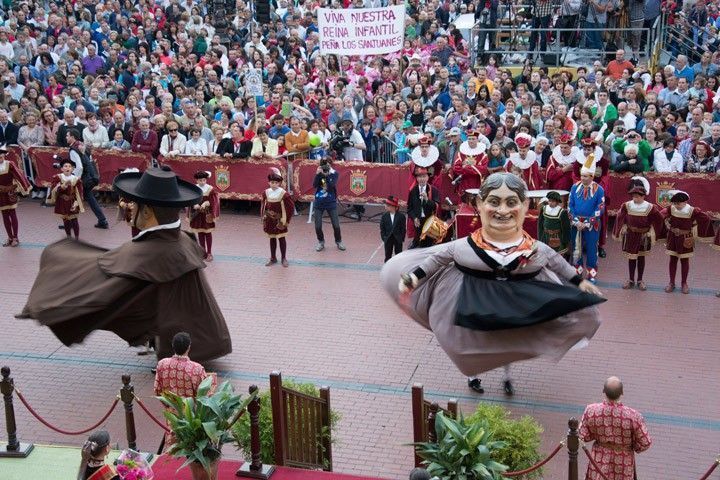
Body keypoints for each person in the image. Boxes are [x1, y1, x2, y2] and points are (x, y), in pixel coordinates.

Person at [381, 173, 604, 396]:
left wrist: (579, 282)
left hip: (514, 303)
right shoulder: (463, 247)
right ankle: (473, 375)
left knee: (506, 340)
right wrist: (413, 278)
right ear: (480, 204)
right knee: (471, 339)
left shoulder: (534, 248)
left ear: (525, 206)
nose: (503, 211)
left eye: (512, 202)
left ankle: (506, 377)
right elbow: (436, 260)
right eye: (494, 202)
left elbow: (556, 262)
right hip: (472, 302)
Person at [18, 166, 233, 363]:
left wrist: (52, 305)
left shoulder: (152, 250)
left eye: (135, 204)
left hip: (185, 342)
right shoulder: (182, 238)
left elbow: (107, 285)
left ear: (147, 212)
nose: (130, 207)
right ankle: (160, 342)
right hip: (205, 337)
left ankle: (167, 348)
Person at [579, 376, 652, 480]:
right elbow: (645, 442)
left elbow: (582, 435)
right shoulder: (634, 416)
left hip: (599, 460)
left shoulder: (591, 411)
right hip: (623, 463)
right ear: (622, 392)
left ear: (603, 391)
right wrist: (633, 447)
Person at [154, 331, 217, 448]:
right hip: (190, 417)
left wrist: (169, 406)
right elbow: (204, 395)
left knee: (172, 444)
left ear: (173, 346)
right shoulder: (196, 369)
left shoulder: (162, 364)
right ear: (189, 347)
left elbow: (157, 390)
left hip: (171, 413)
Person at [612, 177, 663, 291]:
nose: (635, 198)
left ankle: (640, 280)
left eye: (637, 196)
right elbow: (620, 217)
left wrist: (653, 231)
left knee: (641, 258)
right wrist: (622, 227)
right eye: (633, 196)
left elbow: (659, 219)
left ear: (643, 196)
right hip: (630, 235)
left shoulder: (650, 207)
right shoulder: (627, 205)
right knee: (631, 258)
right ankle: (630, 279)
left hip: (643, 236)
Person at [661, 190, 714, 294]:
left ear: (685, 202)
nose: (676, 206)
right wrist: (664, 223)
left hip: (686, 238)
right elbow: (660, 215)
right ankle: (671, 282)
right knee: (673, 259)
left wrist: (696, 230)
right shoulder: (671, 209)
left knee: (684, 261)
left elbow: (705, 219)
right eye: (675, 203)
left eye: (679, 203)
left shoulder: (692, 211)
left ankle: (684, 283)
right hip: (673, 237)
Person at [569, 155, 605, 283]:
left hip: (591, 225)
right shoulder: (574, 187)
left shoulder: (599, 190)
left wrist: (588, 222)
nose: (582, 178)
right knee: (576, 249)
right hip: (576, 224)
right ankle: (577, 272)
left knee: (591, 249)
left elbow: (600, 208)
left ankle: (591, 274)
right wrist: (575, 221)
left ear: (592, 176)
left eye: (585, 176)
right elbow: (570, 205)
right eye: (581, 175)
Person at [67, 128, 109, 229]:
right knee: (89, 199)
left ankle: (70, 222)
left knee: (71, 197)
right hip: (91, 176)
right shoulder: (81, 145)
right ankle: (102, 220)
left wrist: (75, 179)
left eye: (67, 136)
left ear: (72, 137)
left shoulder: (74, 150)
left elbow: (79, 166)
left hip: (84, 178)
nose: (66, 137)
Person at [261, 167, 294, 267]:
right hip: (270, 220)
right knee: (272, 239)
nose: (273, 185)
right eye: (272, 182)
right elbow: (263, 205)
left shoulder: (284, 194)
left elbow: (290, 208)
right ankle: (273, 257)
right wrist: (263, 217)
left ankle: (283, 258)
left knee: (281, 239)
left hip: (280, 220)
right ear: (269, 183)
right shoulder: (266, 193)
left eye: (275, 183)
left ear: (279, 183)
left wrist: (286, 221)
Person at [0, 147, 31, 246]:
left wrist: (25, 186)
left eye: (1, 157)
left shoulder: (9, 164)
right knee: (4, 215)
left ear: (4, 156)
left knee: (12, 214)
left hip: (10, 193)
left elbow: (19, 175)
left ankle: (15, 238)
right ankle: (9, 237)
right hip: (0, 194)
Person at [312, 159, 345, 252]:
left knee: (336, 225)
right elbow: (314, 185)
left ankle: (339, 241)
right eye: (324, 165)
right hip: (319, 202)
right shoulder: (319, 173)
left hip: (330, 202)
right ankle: (321, 241)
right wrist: (318, 174)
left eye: (328, 165)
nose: (326, 167)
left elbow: (331, 185)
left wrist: (327, 175)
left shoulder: (334, 173)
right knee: (318, 226)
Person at [48, 158, 84, 239]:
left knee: (74, 221)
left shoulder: (76, 179)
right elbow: (54, 190)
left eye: (69, 166)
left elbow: (80, 193)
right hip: (62, 203)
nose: (67, 168)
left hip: (72, 202)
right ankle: (68, 237)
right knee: (66, 221)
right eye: (65, 166)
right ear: (61, 169)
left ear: (72, 169)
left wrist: (77, 203)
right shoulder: (58, 178)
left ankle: (77, 238)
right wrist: (62, 187)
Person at [188, 171, 220, 262]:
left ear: (206, 180)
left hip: (207, 214)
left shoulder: (210, 189)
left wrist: (207, 202)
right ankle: (203, 252)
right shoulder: (194, 189)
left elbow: (215, 201)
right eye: (200, 180)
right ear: (197, 180)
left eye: (204, 180)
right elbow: (190, 200)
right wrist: (194, 205)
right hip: (197, 215)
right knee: (200, 233)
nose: (202, 182)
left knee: (208, 233)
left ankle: (209, 253)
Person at [407, 167, 440, 249]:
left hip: (429, 220)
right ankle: (416, 241)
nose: (422, 179)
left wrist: (427, 199)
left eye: (424, 176)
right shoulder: (413, 191)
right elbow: (409, 209)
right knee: (418, 243)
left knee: (427, 245)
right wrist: (414, 218)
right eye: (420, 177)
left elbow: (436, 207)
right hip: (418, 221)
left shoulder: (433, 190)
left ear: (428, 177)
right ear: (417, 178)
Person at [452, 129, 488, 195]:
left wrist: (466, 168)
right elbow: (456, 168)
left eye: (473, 139)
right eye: (469, 139)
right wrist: (474, 168)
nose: (471, 141)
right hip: (464, 182)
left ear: (477, 140)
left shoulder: (483, 155)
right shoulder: (461, 153)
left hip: (477, 183)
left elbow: (484, 169)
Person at [537, 191, 571, 256]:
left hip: (557, 237)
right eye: (549, 201)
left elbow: (566, 228)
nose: (550, 203)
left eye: (553, 201)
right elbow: (540, 224)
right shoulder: (544, 209)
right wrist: (540, 236)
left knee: (558, 254)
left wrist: (565, 241)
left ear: (557, 202)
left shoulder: (562, 212)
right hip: (546, 236)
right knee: (547, 254)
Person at [380, 196, 406, 263]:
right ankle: (387, 266)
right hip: (388, 238)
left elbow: (403, 228)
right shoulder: (384, 216)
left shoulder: (401, 216)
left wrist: (402, 238)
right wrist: (384, 238)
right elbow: (382, 228)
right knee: (388, 254)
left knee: (398, 254)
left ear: (393, 207)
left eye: (387, 205)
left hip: (398, 238)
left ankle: (398, 265)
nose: (385, 206)